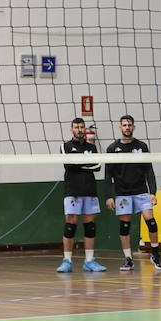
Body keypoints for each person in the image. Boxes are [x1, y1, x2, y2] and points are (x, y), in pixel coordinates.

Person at [104, 115, 161, 273]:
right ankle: (128, 259)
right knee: (125, 226)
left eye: (129, 125)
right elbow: (108, 174)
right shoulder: (112, 148)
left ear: (133, 127)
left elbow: (149, 171)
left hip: (141, 191)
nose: (127, 127)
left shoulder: (141, 146)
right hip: (123, 193)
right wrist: (109, 196)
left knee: (151, 221)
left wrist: (153, 192)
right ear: (120, 127)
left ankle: (155, 253)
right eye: (124, 125)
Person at [58, 117, 104, 274]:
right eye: (76, 127)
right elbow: (68, 165)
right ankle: (67, 260)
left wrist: (79, 163)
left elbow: (97, 166)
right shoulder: (65, 146)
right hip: (73, 191)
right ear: (71, 129)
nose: (79, 129)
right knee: (70, 225)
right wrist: (86, 164)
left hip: (90, 190)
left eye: (81, 127)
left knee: (90, 226)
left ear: (84, 129)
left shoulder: (92, 147)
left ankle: (89, 261)